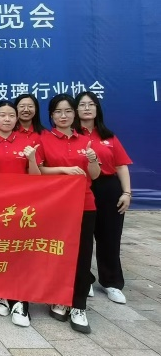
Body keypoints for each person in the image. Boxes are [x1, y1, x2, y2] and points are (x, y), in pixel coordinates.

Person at [37, 94, 100, 334]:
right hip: (55, 206)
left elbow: (94, 175)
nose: (63, 116)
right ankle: (58, 298)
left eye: (68, 111)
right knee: (57, 252)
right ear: (51, 115)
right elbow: (38, 171)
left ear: (74, 114)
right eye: (58, 112)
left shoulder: (85, 140)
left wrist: (92, 160)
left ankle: (78, 305)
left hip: (84, 204)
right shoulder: (43, 139)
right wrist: (64, 170)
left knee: (82, 255)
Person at [0, 101, 40, 328]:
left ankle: (21, 301)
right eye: (2, 115)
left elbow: (36, 177)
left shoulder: (28, 142)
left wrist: (32, 158)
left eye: (11, 115)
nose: (7, 119)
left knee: (20, 251)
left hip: (22, 207)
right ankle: (1, 294)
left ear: (17, 119)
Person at [75, 91, 132, 304]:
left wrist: (126, 192)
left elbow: (121, 165)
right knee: (81, 237)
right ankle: (85, 278)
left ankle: (111, 282)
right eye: (82, 105)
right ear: (75, 110)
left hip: (108, 188)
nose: (87, 108)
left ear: (97, 108)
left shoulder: (108, 136)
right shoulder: (71, 135)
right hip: (81, 187)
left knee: (110, 236)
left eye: (91, 104)